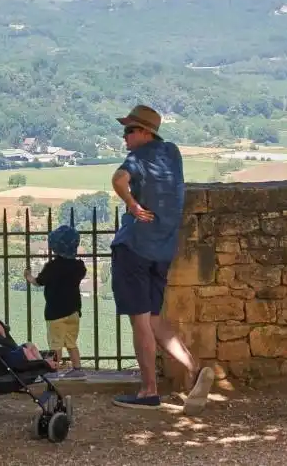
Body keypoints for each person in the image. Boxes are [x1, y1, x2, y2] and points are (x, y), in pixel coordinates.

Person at [109, 104, 214, 414]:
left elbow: (117, 179)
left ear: (144, 132)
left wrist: (131, 204)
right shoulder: (172, 152)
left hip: (135, 248)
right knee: (155, 319)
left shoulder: (138, 157)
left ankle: (148, 391)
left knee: (140, 322)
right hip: (163, 251)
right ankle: (194, 369)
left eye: (129, 130)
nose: (124, 136)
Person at [24, 225, 86, 379]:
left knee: (56, 344)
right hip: (74, 311)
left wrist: (29, 277)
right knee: (71, 342)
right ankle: (77, 370)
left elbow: (39, 282)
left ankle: (54, 370)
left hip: (55, 312)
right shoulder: (79, 266)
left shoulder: (52, 267)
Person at [0, 303, 58, 370]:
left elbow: (4, 340)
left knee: (29, 345)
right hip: (4, 358)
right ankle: (40, 366)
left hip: (10, 351)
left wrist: (2, 332)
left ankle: (40, 362)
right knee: (24, 351)